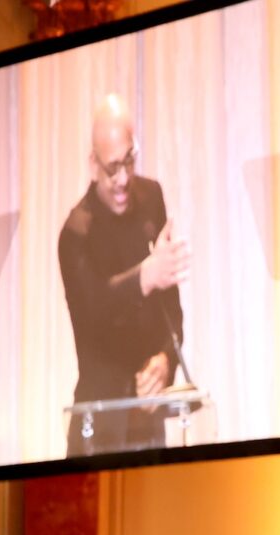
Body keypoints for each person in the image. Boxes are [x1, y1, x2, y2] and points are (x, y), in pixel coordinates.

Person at [58, 92, 191, 457]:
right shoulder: (75, 233)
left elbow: (172, 312)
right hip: (97, 427)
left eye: (129, 161)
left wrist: (165, 361)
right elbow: (92, 314)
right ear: (93, 164)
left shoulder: (150, 197)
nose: (122, 178)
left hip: (146, 424)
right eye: (111, 167)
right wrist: (144, 278)